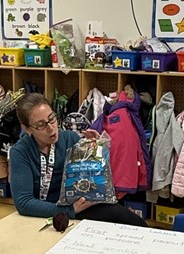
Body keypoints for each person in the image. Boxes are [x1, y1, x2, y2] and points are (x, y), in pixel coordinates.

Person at [8, 93, 146, 225]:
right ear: (27, 129)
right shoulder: (20, 152)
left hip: (76, 204)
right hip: (45, 212)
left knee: (126, 218)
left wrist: (94, 149)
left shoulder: (69, 138)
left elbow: (93, 178)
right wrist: (68, 210)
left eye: (52, 119)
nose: (51, 128)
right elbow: (24, 203)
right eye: (41, 125)